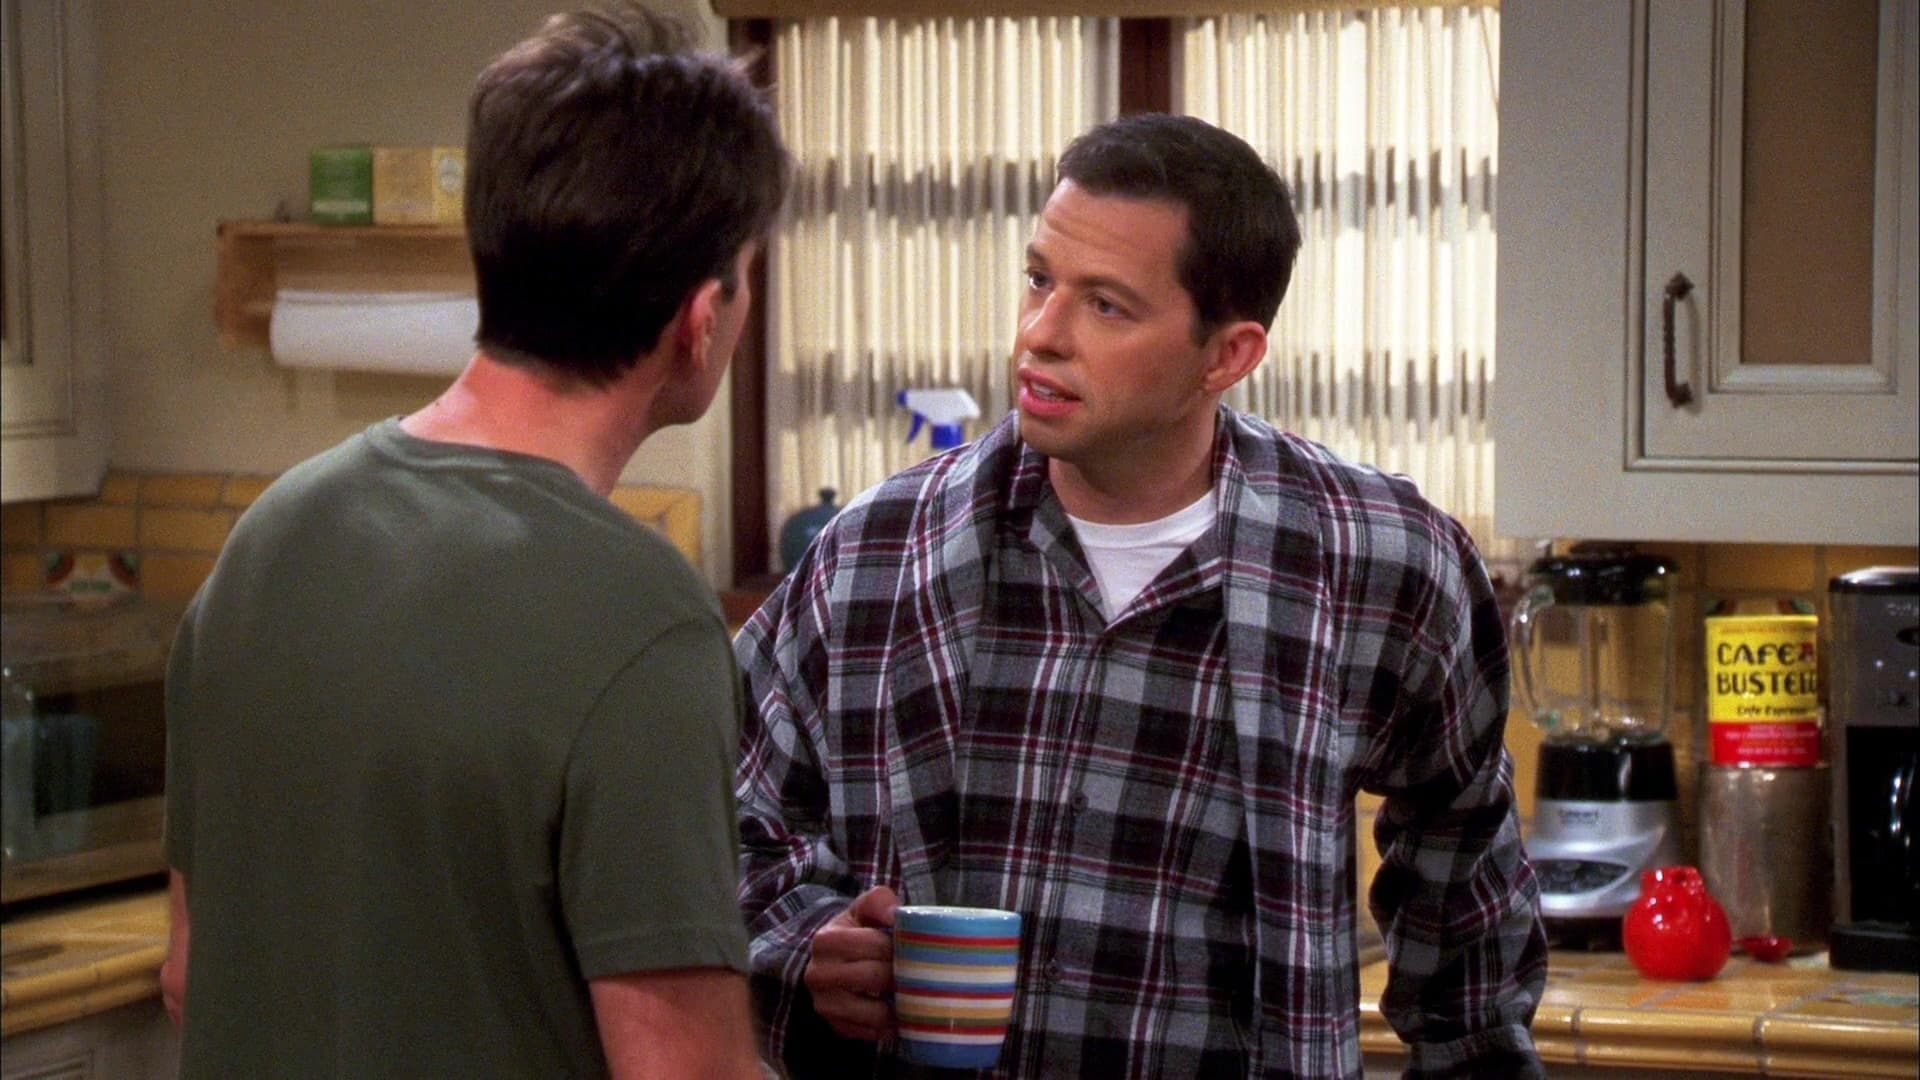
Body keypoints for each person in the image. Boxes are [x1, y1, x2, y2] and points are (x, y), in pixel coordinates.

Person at [734, 112, 1546, 1078]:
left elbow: (1463, 877)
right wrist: (805, 939)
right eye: (1039, 280)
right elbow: (724, 819)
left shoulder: (1375, 561)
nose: (1040, 334)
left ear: (1227, 356)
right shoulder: (878, 554)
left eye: (1106, 306)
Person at [159, 6, 788, 1076]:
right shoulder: (637, 618)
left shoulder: (268, 540)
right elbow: (680, 1068)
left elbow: (190, 972)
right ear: (699, 317)